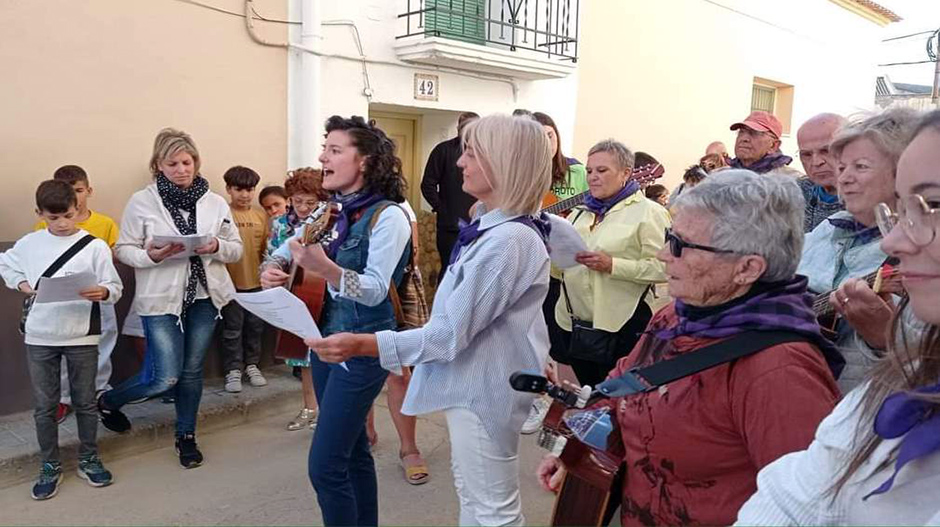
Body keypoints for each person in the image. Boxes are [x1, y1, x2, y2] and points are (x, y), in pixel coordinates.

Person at [538, 170, 842, 526]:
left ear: (747, 268)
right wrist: (575, 450)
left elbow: (809, 508)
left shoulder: (780, 371)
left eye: (681, 245)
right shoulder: (675, 317)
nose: (664, 255)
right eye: (670, 237)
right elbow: (622, 391)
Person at [305, 113, 554, 526]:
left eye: (470, 153)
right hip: (473, 384)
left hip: (483, 389)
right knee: (475, 500)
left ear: (502, 162)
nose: (460, 163)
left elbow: (448, 335)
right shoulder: (500, 230)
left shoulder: (508, 240)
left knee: (492, 511)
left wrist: (366, 343)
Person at [735, 109, 940, 527]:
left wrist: (883, 338)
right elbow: (796, 491)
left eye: (932, 204)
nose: (897, 239)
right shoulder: (826, 231)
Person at [260, 115, 414, 527]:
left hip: (363, 346)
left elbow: (377, 288)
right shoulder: (330, 210)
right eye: (324, 147)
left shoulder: (389, 217)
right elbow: (288, 248)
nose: (322, 156)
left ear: (363, 161)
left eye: (334, 149)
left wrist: (326, 269)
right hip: (324, 342)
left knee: (325, 467)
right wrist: (271, 268)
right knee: (354, 452)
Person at [97, 128, 243, 469]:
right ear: (158, 165)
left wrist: (217, 246)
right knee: (165, 377)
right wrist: (153, 256)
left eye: (187, 161)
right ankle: (109, 401)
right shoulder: (142, 201)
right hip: (161, 300)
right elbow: (124, 250)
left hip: (206, 298)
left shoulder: (215, 201)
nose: (181, 169)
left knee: (192, 372)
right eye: (172, 163)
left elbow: (235, 249)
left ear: (196, 162)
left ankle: (186, 435)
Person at [1, 180, 123, 499]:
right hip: (41, 335)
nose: (62, 223)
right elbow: (6, 264)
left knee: (84, 401)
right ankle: (50, 465)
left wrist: (105, 291)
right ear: (40, 213)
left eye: (68, 215)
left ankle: (89, 457)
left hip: (82, 334)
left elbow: (114, 285)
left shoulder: (94, 246)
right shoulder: (29, 244)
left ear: (78, 209)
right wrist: (22, 283)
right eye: (53, 218)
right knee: (44, 405)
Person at [797, 107, 919, 393]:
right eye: (842, 168)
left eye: (860, 167)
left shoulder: (925, 249)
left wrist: (886, 340)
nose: (844, 178)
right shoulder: (829, 228)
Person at [551, 139, 671, 387]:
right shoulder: (579, 212)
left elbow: (665, 268)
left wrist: (612, 265)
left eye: (602, 170)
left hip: (622, 324)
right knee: (589, 394)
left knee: (617, 396)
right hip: (574, 322)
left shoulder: (650, 213)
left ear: (626, 173)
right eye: (590, 171)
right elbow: (561, 267)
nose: (593, 177)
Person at [33, 165, 119, 424]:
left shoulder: (104, 223)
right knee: (61, 349)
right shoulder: (41, 226)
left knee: (102, 343)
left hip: (97, 294)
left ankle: (99, 390)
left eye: (78, 190)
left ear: (88, 191)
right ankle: (64, 398)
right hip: (62, 299)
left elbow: (112, 258)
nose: (74, 195)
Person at [264, 168, 330, 431]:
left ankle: (327, 412)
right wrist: (272, 272)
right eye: (297, 201)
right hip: (291, 292)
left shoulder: (326, 222)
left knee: (322, 353)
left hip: (318, 292)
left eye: (310, 203)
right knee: (300, 356)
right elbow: (272, 253)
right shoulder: (280, 224)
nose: (303, 207)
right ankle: (308, 407)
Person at [220, 166, 269, 392]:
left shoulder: (261, 215)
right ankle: (233, 370)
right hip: (230, 286)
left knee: (255, 328)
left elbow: (268, 251)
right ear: (229, 189)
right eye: (239, 189)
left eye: (250, 189)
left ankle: (252, 365)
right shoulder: (222, 214)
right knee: (232, 329)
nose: (245, 195)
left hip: (257, 285)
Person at [420, 111, 480, 274]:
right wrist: (442, 208)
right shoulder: (444, 150)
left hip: (479, 225)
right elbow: (428, 184)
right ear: (458, 129)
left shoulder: (486, 154)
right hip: (451, 227)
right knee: (450, 271)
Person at [797, 113, 847, 232]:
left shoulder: (869, 201)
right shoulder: (795, 193)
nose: (816, 162)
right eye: (806, 154)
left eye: (826, 151)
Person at [729, 111, 799, 175]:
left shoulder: (792, 181)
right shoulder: (723, 176)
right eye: (741, 132)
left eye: (754, 133)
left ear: (773, 145)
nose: (744, 138)